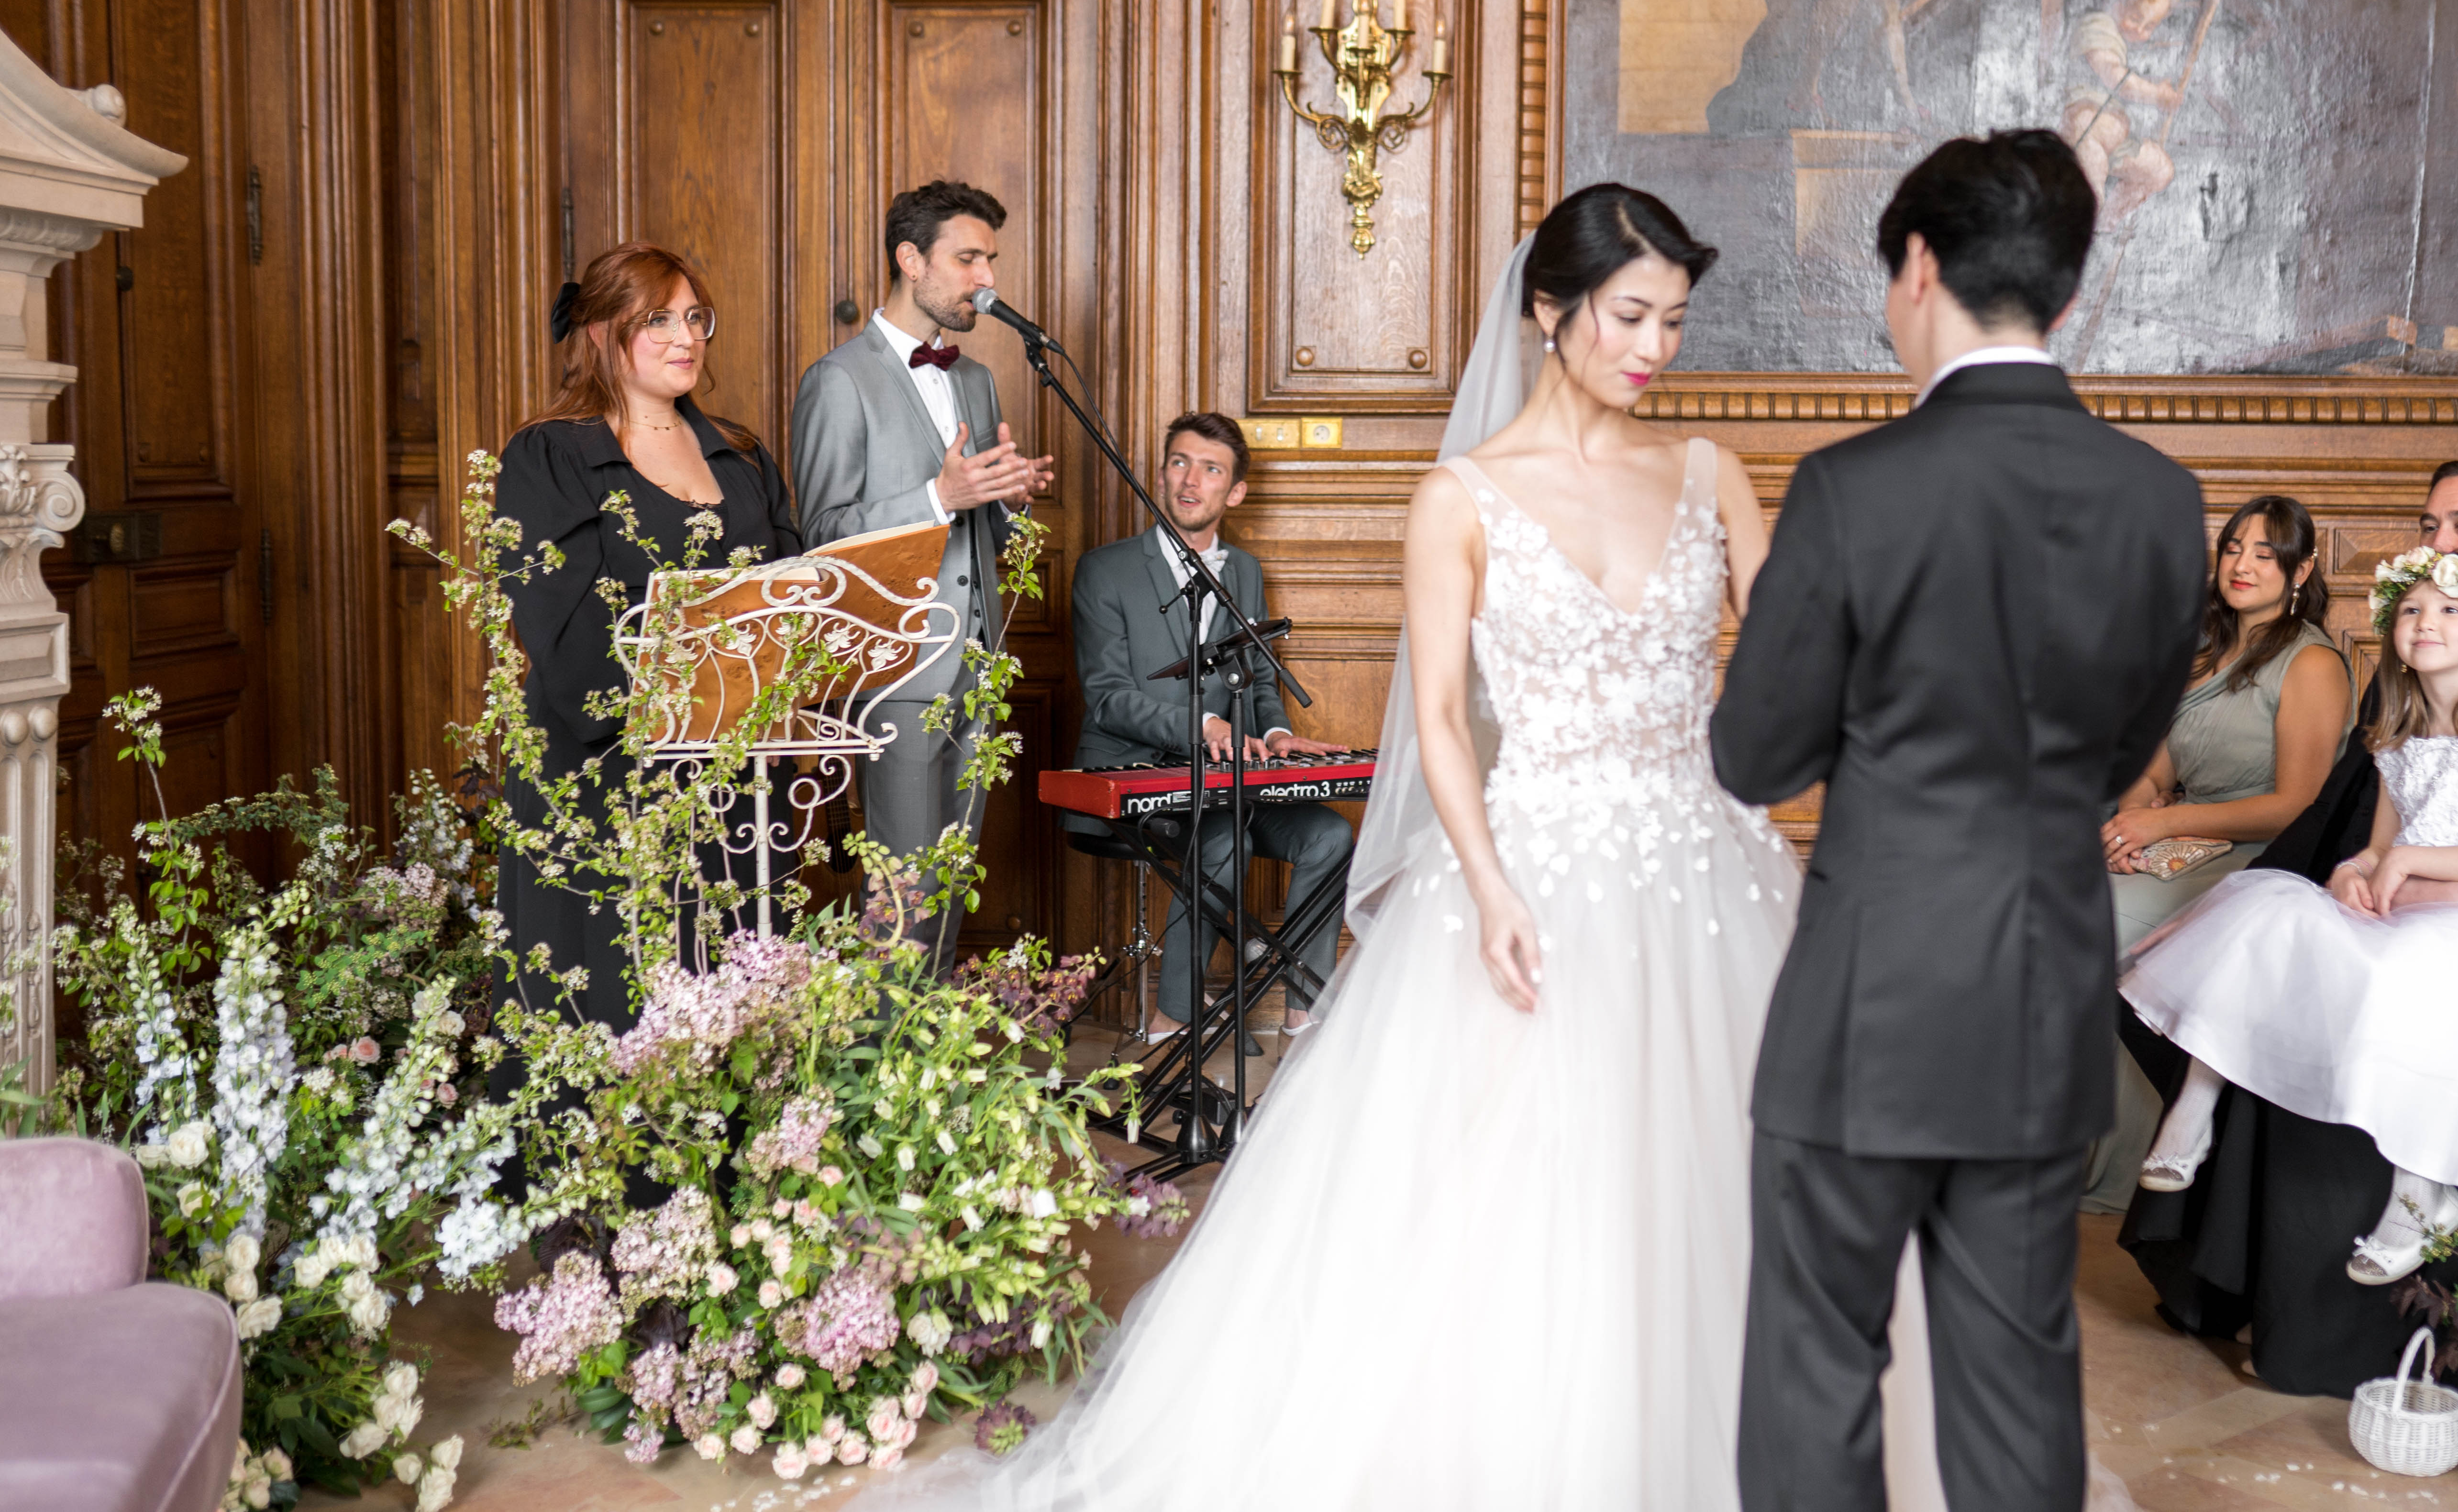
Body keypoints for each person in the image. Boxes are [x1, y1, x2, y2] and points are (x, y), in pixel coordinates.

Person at [852, 183, 1866, 1511]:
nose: (1655, 349)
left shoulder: (1711, 477)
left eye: (1674, 322)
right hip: (1530, 866)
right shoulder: (1462, 496)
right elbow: (1437, 716)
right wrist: (1490, 882)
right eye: (1630, 316)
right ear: (1550, 311)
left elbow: (1798, 663)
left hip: (1700, 867)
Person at [1712, 130, 2206, 1512]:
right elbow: (2121, 749)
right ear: (2060, 284)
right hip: (2042, 994)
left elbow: (1754, 754)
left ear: (1918, 266)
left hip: (1866, 1002)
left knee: (1815, 1369)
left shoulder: (1851, 488)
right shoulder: (2160, 505)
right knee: (2013, 1381)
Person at [2120, 460, 2458, 1392]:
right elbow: (2377, 826)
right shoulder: (2407, 709)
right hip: (2406, 896)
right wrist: (2360, 866)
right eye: (2429, 527)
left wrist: (2410, 866)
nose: (2439, 555)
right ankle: (2198, 1121)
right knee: (2269, 915)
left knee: (2417, 982)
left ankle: (2423, 1190)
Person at [492, 241, 804, 1064]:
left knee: (728, 976)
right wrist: (671, 704)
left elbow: (791, 594)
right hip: (601, 771)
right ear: (601, 332)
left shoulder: (740, 454)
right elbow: (561, 625)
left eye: (694, 317)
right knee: (610, 995)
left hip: (733, 767)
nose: (685, 336)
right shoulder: (548, 452)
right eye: (657, 319)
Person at [788, 181, 1052, 975]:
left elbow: (978, 531)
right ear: (909, 259)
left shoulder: (974, 380)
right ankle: (883, 1083)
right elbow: (821, 541)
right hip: (897, 671)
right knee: (899, 899)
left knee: (947, 886)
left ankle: (926, 1086)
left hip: (979, 666)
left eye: (990, 260)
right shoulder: (838, 381)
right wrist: (940, 494)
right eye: (967, 258)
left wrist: (1003, 499)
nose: (985, 279)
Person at [2079, 496, 2351, 1212]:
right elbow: (2156, 769)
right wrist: (2135, 812)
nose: (2242, 564)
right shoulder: (2205, 654)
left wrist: (2165, 827)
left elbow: (2297, 804)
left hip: (2260, 860)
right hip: (2185, 840)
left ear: (2300, 570)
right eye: (2233, 547)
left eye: (2265, 553)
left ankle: (2122, 1161)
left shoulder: (2311, 663)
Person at [1066, 412, 1351, 1039]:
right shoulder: (1102, 570)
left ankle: (1304, 1013)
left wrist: (1275, 735)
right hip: (1132, 780)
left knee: (1328, 835)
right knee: (1224, 843)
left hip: (1231, 783)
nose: (1189, 481)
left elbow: (1257, 680)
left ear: (1235, 491)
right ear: (1161, 473)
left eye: (1210, 469)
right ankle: (1174, 1017)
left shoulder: (1243, 572)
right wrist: (1203, 727)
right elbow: (1108, 698)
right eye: (1178, 462)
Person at [2061, 0, 2182, 225]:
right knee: (2090, 196)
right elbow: (2116, 78)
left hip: (2115, 144)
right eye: (2135, 17)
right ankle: (2088, 224)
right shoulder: (2098, 25)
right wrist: (2156, 95)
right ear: (2117, 4)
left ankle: (2108, 222)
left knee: (2162, 171)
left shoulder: (2120, 38)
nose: (2139, 29)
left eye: (2149, 26)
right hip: (2086, 135)